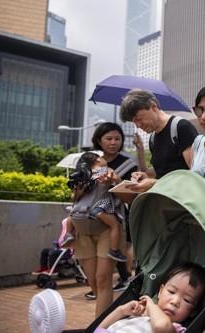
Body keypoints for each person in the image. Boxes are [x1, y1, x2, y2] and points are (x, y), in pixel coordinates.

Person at [67, 152, 126, 317]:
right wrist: (80, 186)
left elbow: (125, 196)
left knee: (102, 280)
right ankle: (110, 318)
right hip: (83, 232)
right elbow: (74, 199)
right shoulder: (83, 174)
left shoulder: (108, 172)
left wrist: (115, 180)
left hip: (105, 230)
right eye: (99, 160)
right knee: (93, 282)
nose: (102, 161)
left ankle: (99, 326)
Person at [91, 122, 140, 293]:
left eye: (117, 139)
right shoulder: (93, 161)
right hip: (91, 216)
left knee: (120, 249)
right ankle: (96, 287)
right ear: (99, 140)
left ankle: (124, 277)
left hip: (117, 213)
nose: (113, 142)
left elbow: (132, 197)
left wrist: (116, 181)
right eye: (109, 138)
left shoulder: (129, 165)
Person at [119, 89, 198, 192]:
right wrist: (144, 176)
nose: (138, 125)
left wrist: (155, 183)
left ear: (153, 106)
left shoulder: (181, 127)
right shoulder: (153, 139)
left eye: (139, 119)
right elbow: (161, 172)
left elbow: (195, 174)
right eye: (134, 122)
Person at [96, 262, 205, 333]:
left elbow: (161, 326)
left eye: (187, 300)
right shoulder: (137, 315)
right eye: (171, 291)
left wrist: (151, 305)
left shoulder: (175, 328)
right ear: (160, 291)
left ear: (193, 311)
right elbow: (98, 331)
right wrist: (121, 311)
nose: (175, 302)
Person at [63, 152, 127, 263]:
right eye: (102, 157)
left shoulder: (82, 174)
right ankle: (114, 250)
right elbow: (119, 185)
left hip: (79, 212)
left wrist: (80, 190)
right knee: (115, 225)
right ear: (98, 160)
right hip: (99, 210)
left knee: (71, 212)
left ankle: (68, 234)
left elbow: (74, 198)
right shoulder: (106, 170)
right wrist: (115, 180)